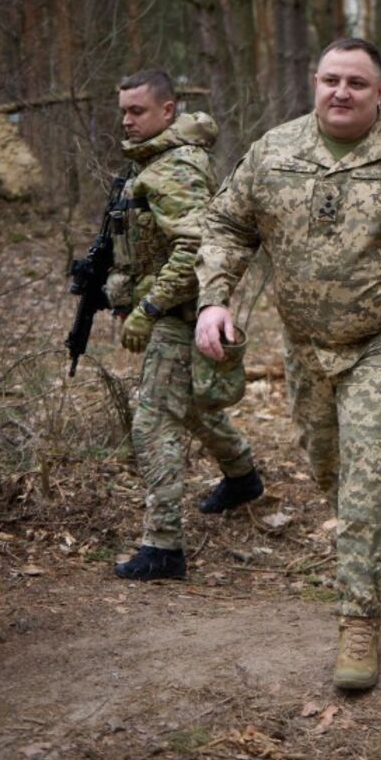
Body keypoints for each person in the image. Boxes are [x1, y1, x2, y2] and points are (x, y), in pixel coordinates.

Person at [194, 38, 381, 691]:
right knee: (328, 463)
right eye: (331, 79)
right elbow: (225, 225)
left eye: (357, 83)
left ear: (380, 91)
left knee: (370, 470)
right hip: (306, 344)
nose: (341, 91)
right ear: (314, 81)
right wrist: (213, 299)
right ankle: (379, 557)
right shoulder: (273, 152)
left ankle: (359, 619)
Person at [108, 70, 263, 582]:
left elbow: (194, 247)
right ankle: (242, 477)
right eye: (124, 111)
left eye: (138, 111)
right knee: (192, 405)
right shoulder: (155, 162)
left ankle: (163, 547)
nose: (127, 120)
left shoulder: (174, 167)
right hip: (179, 312)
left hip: (179, 314)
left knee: (154, 423)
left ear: (168, 111)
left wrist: (148, 308)